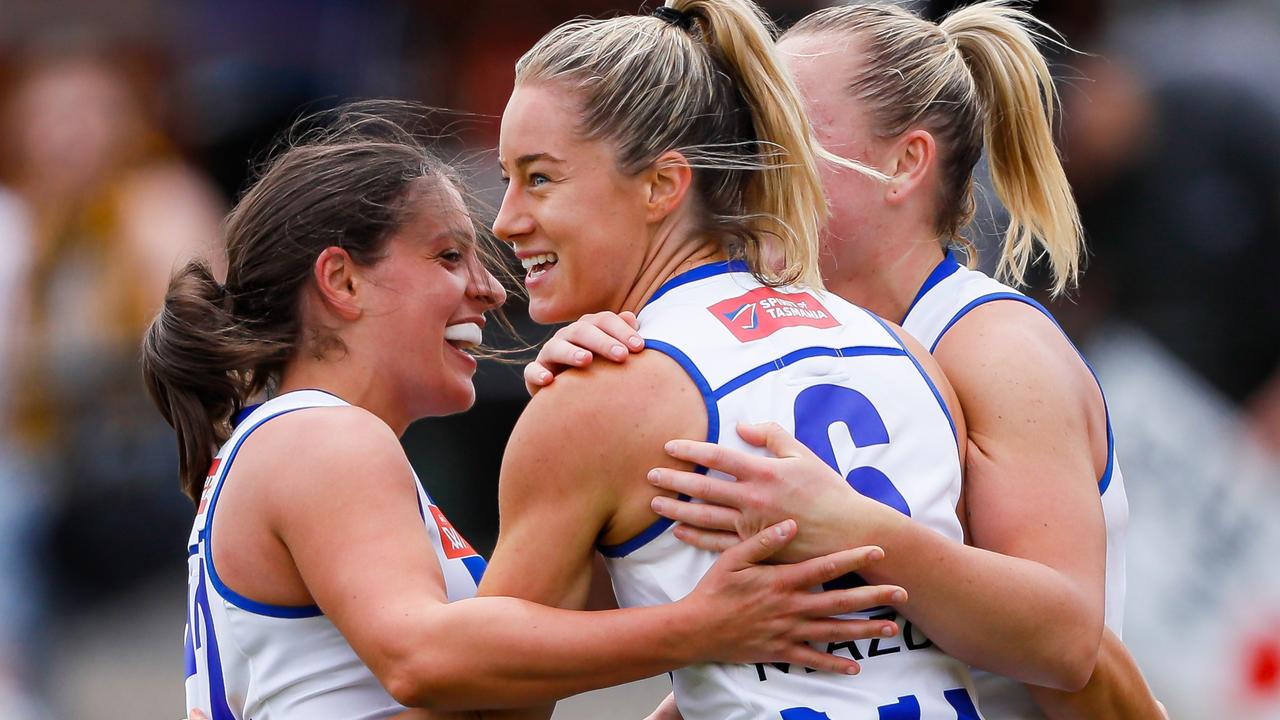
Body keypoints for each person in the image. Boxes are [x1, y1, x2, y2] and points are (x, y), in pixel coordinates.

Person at [143, 101, 907, 720]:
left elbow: (482, 690)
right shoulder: (321, 437)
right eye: (448, 256)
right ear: (342, 282)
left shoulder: (306, 441)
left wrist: (590, 447)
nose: (492, 289)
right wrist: (702, 628)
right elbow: (425, 663)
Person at [529, 2, 1164, 717]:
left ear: (904, 163)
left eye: (787, 134)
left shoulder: (991, 348)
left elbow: (1074, 652)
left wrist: (859, 528)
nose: (753, 166)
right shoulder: (784, 342)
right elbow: (799, 651)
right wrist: (596, 395)